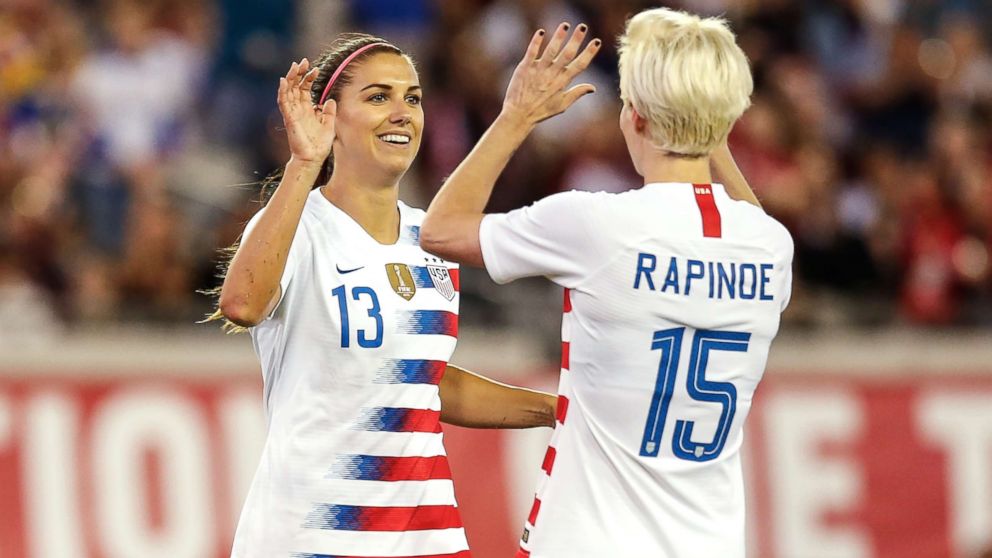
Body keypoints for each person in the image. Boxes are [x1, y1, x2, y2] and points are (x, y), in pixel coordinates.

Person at [420, 9, 793, 558]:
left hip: (590, 541)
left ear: (636, 117)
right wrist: (708, 129)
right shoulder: (770, 246)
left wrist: (516, 117)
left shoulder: (597, 226)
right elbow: (749, 222)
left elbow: (441, 230)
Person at [212, 34, 558, 558]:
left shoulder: (433, 241)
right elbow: (242, 305)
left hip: (428, 533)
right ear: (328, 117)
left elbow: (425, 385)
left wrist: (560, 410)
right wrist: (304, 164)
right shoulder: (297, 224)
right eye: (378, 97)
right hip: (313, 535)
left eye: (413, 99)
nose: (402, 113)